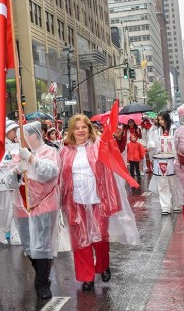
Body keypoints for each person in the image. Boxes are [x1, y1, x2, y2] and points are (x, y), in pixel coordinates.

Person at [59, 114, 123, 291]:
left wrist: (117, 137)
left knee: (100, 236)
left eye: (84, 127)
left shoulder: (98, 146)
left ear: (89, 129)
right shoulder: (65, 151)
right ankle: (86, 276)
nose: (80, 130)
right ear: (71, 131)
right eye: (76, 127)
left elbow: (115, 154)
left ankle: (102, 265)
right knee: (81, 240)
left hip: (97, 200)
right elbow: (59, 176)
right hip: (75, 202)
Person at [6, 121, 61, 299]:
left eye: (23, 136)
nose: (19, 140)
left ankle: (42, 282)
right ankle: (41, 275)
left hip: (44, 205)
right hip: (23, 206)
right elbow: (9, 183)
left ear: (34, 136)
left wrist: (31, 159)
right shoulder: (17, 156)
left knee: (43, 245)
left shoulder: (49, 152)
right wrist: (17, 170)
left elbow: (50, 172)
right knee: (30, 246)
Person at [147, 111, 182, 215]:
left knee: (174, 184)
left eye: (162, 119)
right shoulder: (155, 131)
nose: (161, 122)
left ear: (167, 119)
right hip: (160, 160)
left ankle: (177, 204)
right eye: (159, 120)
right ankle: (165, 207)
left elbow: (179, 144)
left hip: (172, 160)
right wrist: (152, 145)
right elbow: (151, 144)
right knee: (162, 185)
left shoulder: (175, 130)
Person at [0, 119, 20, 245]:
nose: (15, 133)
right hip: (3, 181)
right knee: (7, 207)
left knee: (14, 207)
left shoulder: (13, 143)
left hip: (13, 180)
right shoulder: (1, 144)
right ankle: (1, 229)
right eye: (13, 130)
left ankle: (15, 235)